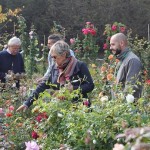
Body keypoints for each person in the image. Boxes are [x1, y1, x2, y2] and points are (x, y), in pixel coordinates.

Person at [16, 40, 94, 111]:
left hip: (80, 108)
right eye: (52, 57)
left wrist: (74, 88)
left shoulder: (79, 66)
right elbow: (43, 85)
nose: (53, 59)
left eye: (55, 57)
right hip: (60, 108)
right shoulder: (55, 67)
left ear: (64, 54)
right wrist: (27, 103)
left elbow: (90, 85)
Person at [110, 33, 143, 99]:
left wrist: (120, 104)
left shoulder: (132, 60)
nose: (110, 48)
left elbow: (131, 88)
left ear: (122, 43)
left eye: (113, 44)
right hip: (119, 105)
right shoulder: (122, 59)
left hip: (128, 107)